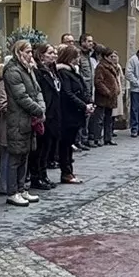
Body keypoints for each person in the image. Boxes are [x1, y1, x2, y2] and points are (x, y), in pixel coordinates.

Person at [0, 44, 45, 205]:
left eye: (31, 51)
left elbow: (37, 90)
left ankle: (21, 188)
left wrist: (41, 107)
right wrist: (37, 109)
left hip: (28, 119)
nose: (30, 54)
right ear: (19, 53)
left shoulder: (28, 69)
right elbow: (21, 96)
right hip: (17, 119)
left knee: (25, 154)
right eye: (27, 51)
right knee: (15, 157)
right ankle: (12, 191)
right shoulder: (13, 71)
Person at [50, 44, 90, 182]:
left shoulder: (73, 72)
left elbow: (81, 89)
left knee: (69, 143)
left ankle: (69, 171)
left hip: (75, 113)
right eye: (76, 56)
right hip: (68, 114)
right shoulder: (64, 73)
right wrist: (84, 105)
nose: (78, 59)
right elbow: (68, 93)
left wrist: (88, 102)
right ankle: (66, 172)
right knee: (65, 144)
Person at [30, 40, 62, 189]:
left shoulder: (53, 71)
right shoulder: (39, 73)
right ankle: (37, 176)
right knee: (40, 148)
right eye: (50, 53)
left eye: (54, 53)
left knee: (47, 147)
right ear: (41, 56)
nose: (53, 56)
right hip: (44, 113)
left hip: (54, 113)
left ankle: (44, 175)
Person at [93, 48, 121, 145]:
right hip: (103, 97)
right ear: (105, 57)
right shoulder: (101, 67)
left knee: (109, 119)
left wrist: (116, 90)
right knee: (99, 119)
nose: (113, 58)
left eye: (114, 56)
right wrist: (107, 92)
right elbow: (98, 81)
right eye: (111, 56)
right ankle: (97, 138)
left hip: (111, 97)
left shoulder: (113, 66)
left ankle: (108, 138)